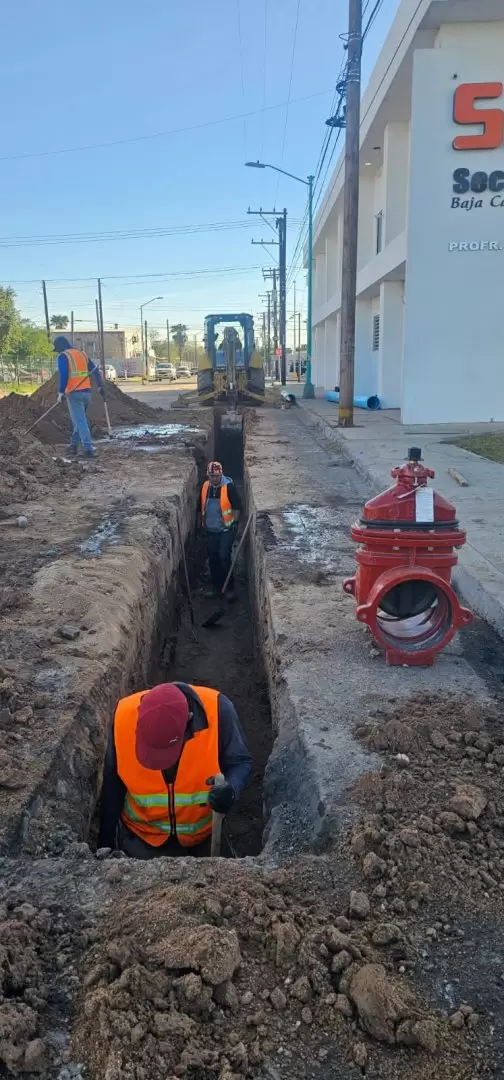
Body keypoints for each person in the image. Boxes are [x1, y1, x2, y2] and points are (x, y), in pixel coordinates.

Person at [98, 681, 252, 859]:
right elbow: (112, 785)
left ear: (189, 721)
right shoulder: (123, 717)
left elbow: (240, 761)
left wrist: (231, 789)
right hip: (141, 838)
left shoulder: (219, 711)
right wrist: (105, 845)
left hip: (202, 838)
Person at [53, 335, 106, 457]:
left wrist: (60, 393)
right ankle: (73, 445)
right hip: (87, 392)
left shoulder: (63, 356)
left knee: (80, 420)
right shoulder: (82, 354)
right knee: (78, 420)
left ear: (60, 348)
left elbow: (64, 375)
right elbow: (95, 371)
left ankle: (88, 448)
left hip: (74, 393)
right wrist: (99, 386)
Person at [200, 461, 242, 601]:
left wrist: (234, 523)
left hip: (226, 529)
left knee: (224, 556)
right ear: (208, 475)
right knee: (213, 558)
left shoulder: (228, 487)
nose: (214, 479)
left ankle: (229, 587)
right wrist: (200, 525)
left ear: (221, 474)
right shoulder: (206, 487)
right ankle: (216, 586)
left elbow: (237, 506)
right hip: (211, 529)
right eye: (211, 476)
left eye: (217, 476)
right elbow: (200, 508)